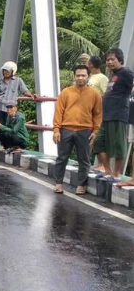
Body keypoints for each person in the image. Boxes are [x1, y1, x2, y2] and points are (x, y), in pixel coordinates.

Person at [52, 64, 102, 195]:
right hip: (65, 129)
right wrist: (56, 130)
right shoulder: (66, 92)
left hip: (85, 130)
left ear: (88, 77)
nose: (80, 78)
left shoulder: (94, 94)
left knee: (84, 159)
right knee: (62, 158)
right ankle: (58, 184)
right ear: (74, 76)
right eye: (78, 75)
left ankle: (81, 185)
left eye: (83, 75)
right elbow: (58, 111)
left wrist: (96, 132)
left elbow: (98, 114)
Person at [92, 48, 134, 181]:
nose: (109, 62)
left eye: (112, 59)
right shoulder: (114, 75)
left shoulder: (126, 72)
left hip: (119, 114)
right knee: (99, 144)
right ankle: (108, 172)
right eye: (107, 60)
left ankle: (116, 174)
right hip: (107, 116)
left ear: (119, 60)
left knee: (118, 146)